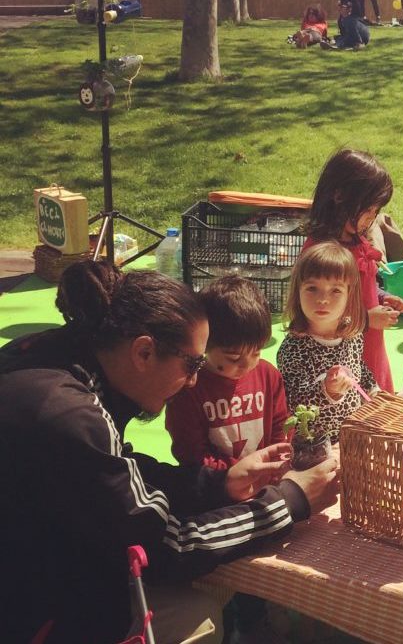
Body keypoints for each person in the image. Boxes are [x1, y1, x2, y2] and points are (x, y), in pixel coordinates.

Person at [0, 261, 339, 644]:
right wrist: (289, 502)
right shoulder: (67, 416)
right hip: (33, 615)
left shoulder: (58, 357)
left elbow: (117, 468)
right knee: (198, 617)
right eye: (193, 363)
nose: (195, 380)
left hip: (42, 564)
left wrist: (220, 483)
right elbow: (169, 545)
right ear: (144, 352)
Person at [164, 276, 289, 643]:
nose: (246, 365)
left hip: (263, 485)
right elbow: (188, 452)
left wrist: (281, 452)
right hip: (216, 496)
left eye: (256, 352)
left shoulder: (266, 374)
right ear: (206, 346)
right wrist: (231, 476)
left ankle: (256, 615)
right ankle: (233, 619)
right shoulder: (191, 385)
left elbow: (281, 421)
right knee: (228, 566)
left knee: (265, 559)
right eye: (232, 358)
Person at [302, 148, 403, 392]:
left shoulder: (357, 241)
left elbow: (361, 287)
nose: (371, 219)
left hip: (370, 348)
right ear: (339, 196)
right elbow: (316, 311)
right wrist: (368, 319)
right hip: (340, 357)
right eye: (368, 210)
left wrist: (381, 297)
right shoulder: (321, 252)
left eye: (376, 212)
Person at [278, 242, 380, 443]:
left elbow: (358, 368)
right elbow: (293, 399)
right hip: (314, 444)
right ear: (297, 293)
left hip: (352, 437)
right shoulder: (293, 347)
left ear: (349, 295)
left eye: (335, 291)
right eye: (312, 288)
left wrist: (373, 389)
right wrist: (327, 390)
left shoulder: (353, 336)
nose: (323, 299)